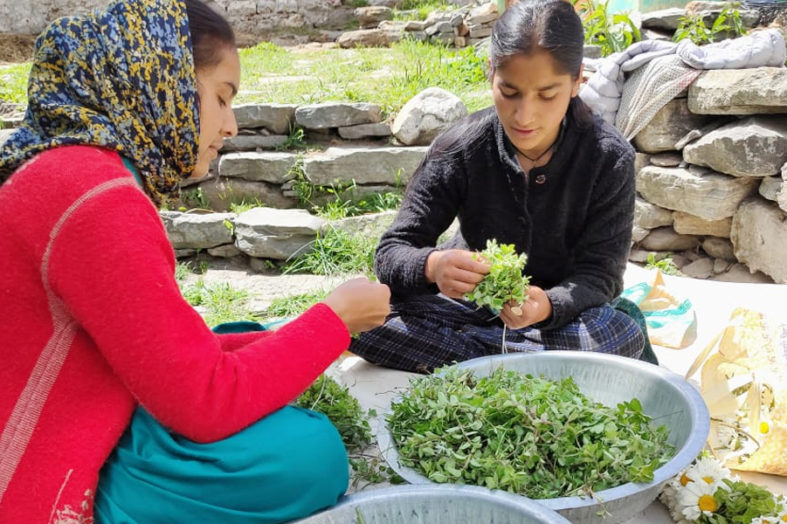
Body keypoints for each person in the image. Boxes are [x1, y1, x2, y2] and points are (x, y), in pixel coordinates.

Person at [0, 0, 390, 522]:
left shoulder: (69, 169)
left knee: (252, 332)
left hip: (85, 400)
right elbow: (203, 404)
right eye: (221, 98)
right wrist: (333, 323)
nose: (230, 126)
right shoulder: (97, 198)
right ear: (163, 80)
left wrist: (300, 333)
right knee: (307, 454)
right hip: (41, 470)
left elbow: (154, 350)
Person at [349, 0, 646, 374]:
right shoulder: (459, 149)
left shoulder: (608, 157)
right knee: (360, 320)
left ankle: (477, 363)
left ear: (576, 82)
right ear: (491, 73)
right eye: (509, 91)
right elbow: (392, 251)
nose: (525, 116)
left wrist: (548, 305)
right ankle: (527, 365)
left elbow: (600, 275)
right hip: (464, 306)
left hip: (554, 320)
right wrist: (434, 265)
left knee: (620, 333)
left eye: (547, 94)